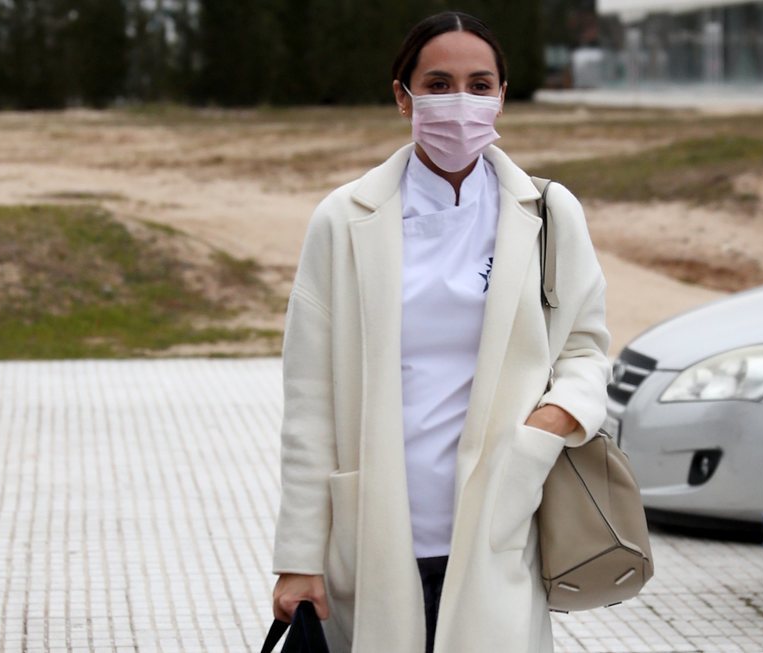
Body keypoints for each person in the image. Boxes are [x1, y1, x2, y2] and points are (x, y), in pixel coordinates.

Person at [270, 11, 611, 653]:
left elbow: (586, 348)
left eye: (480, 85)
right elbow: (309, 402)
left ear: (503, 96)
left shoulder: (549, 212)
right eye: (438, 83)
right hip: (373, 533)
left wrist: (552, 422)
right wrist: (298, 556)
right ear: (403, 97)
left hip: (500, 520)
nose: (461, 102)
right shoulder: (344, 220)